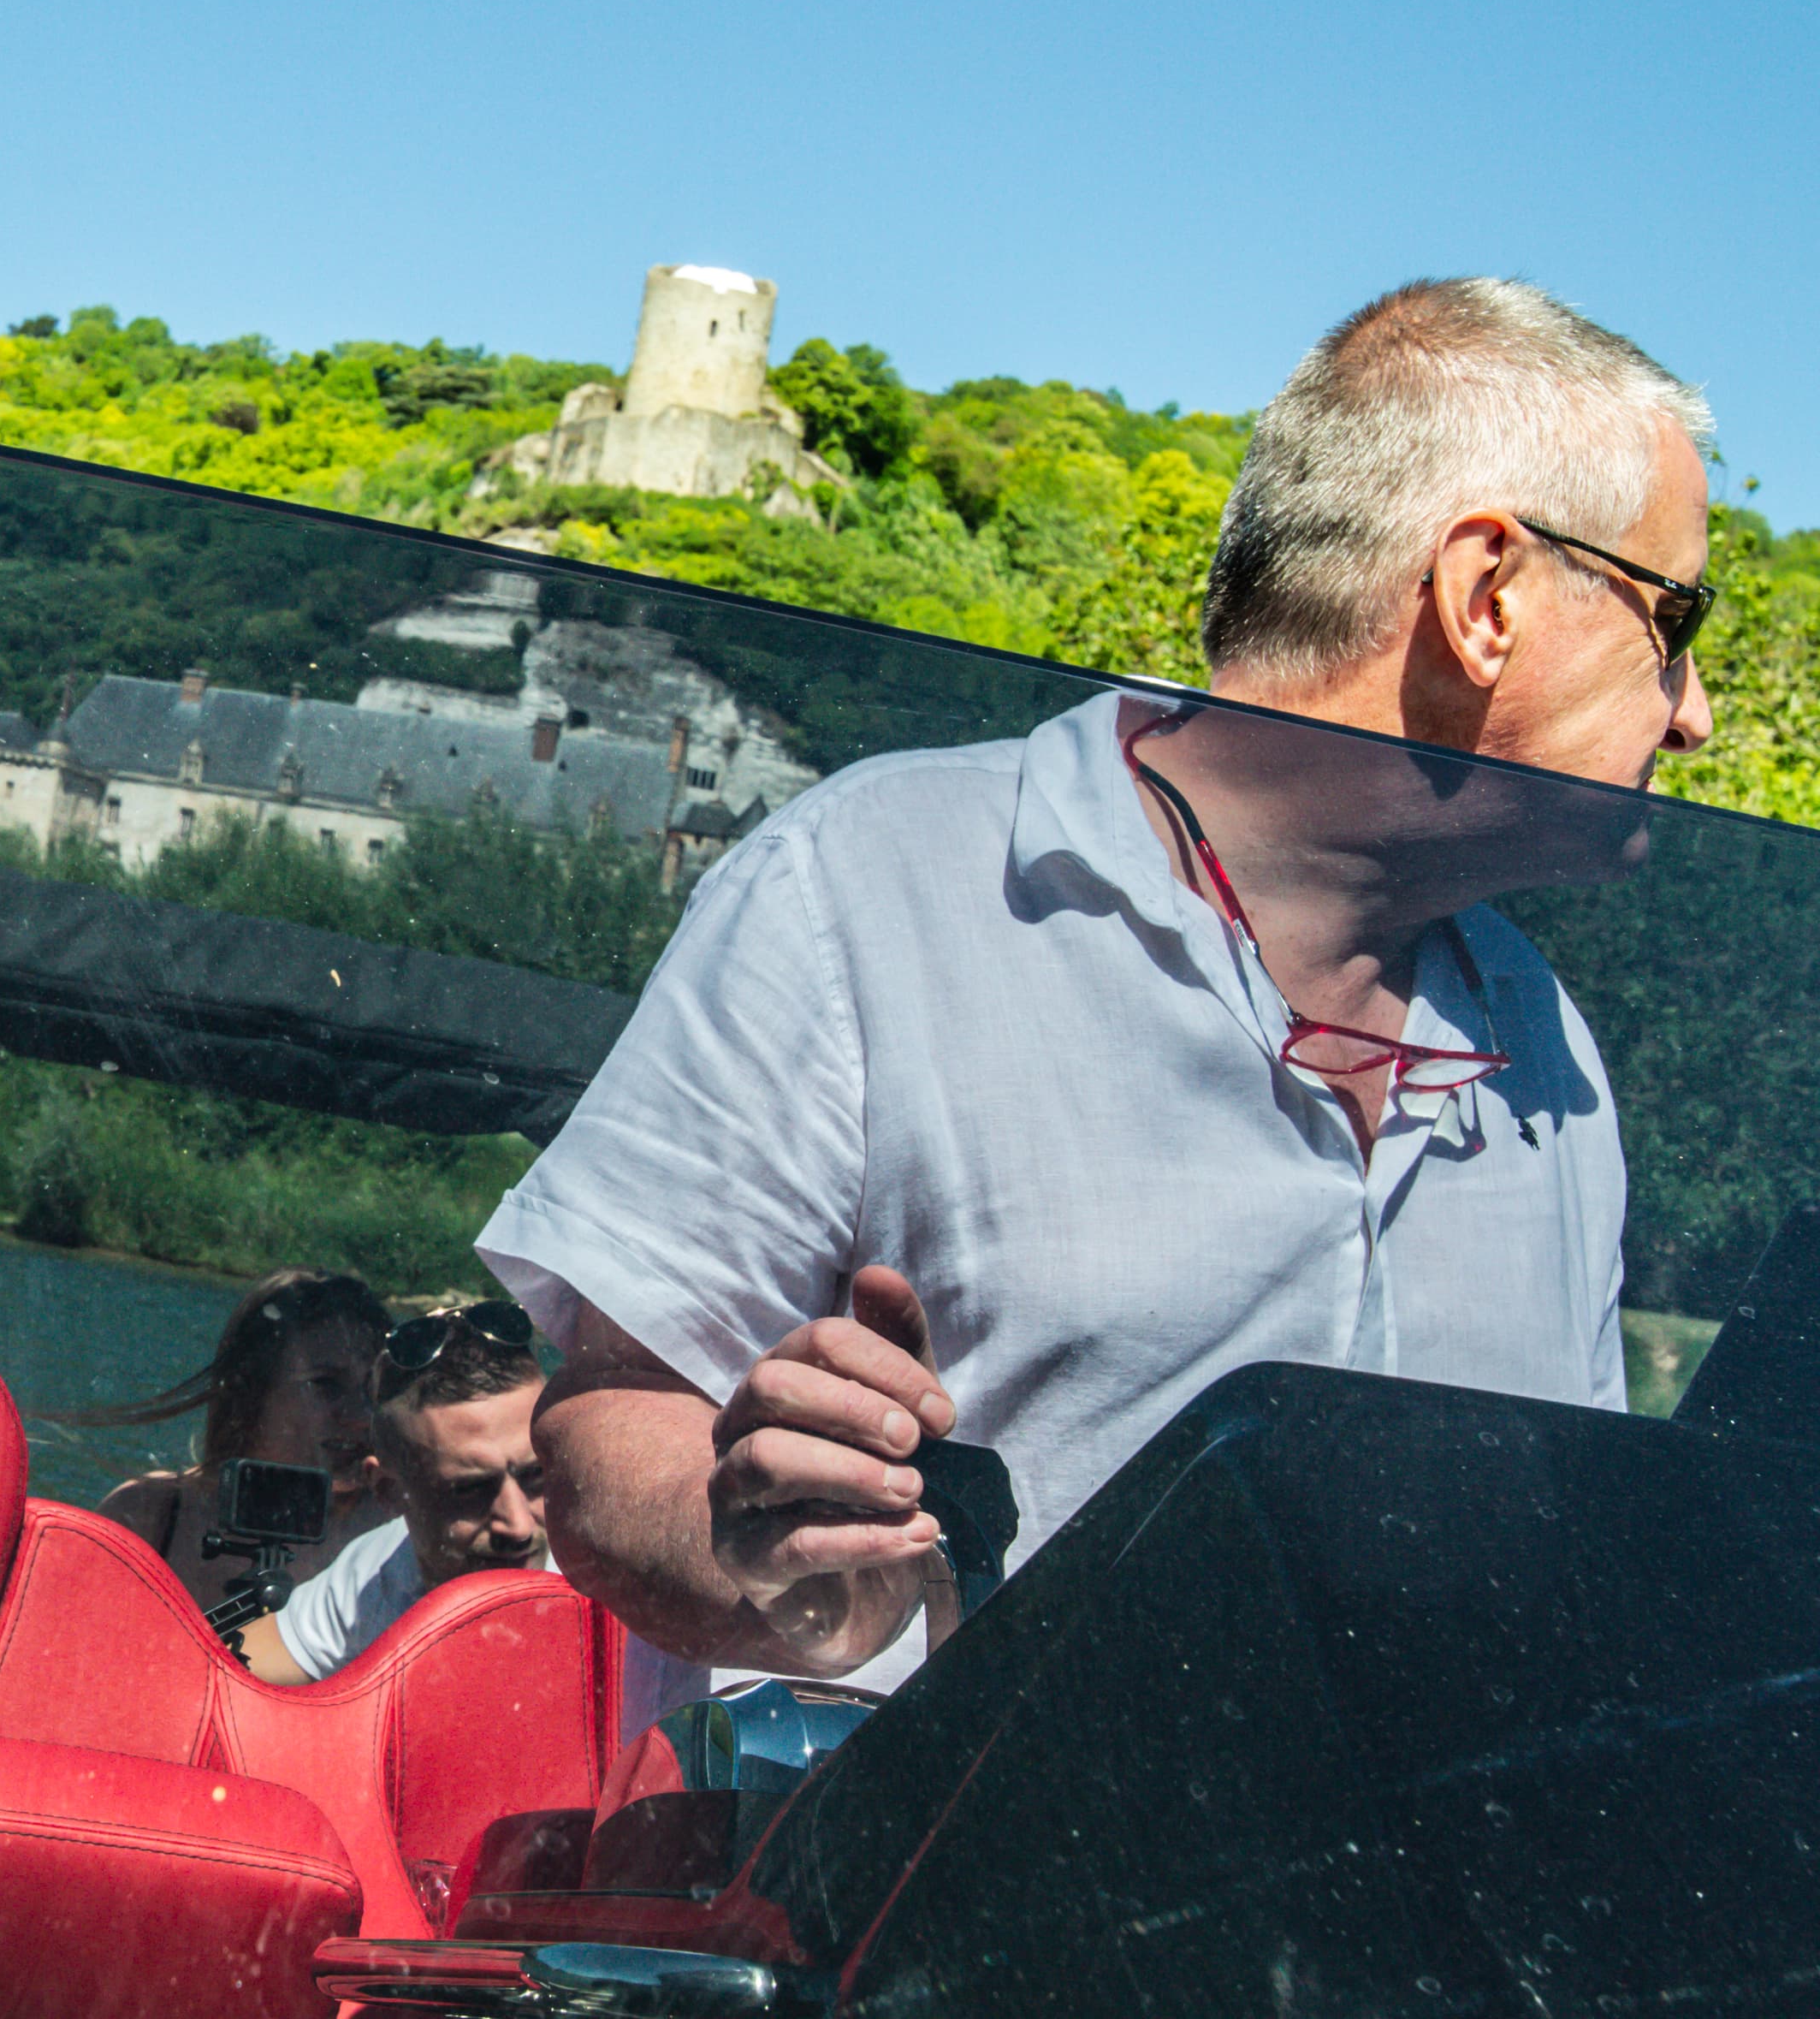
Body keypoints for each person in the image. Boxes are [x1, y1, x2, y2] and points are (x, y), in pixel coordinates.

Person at [483, 277, 1714, 1704]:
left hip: (1381, 1919)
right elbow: (602, 1434)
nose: (1695, 713)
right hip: (925, 1908)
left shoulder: (1547, 1044)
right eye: (1671, 618)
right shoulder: (874, 879)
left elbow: (1564, 1585)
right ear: (1483, 597)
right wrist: (763, 1547)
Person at [238, 1302, 549, 1686]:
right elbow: (227, 1681)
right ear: (389, 1492)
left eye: (537, 1475)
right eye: (470, 1490)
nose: (518, 1526)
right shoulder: (379, 1575)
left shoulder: (622, 1570)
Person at [86, 1268, 394, 1611]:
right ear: (250, 1391)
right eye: (325, 1385)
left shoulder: (401, 1535)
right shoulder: (149, 1516)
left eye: (376, 1387)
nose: (361, 1415)